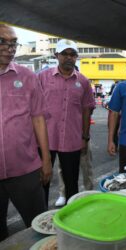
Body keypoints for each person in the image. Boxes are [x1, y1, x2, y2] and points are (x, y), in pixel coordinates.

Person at [0, 24, 51, 241]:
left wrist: (46, 160)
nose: (9, 48)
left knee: (38, 225)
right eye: (3, 41)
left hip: (25, 169)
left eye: (13, 43)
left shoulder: (27, 76)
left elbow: (38, 118)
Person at [38, 39, 95, 205]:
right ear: (57, 55)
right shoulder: (42, 77)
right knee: (42, 180)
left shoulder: (83, 81)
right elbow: (34, 109)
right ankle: (40, 215)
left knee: (71, 183)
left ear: (76, 57)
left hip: (72, 140)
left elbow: (86, 110)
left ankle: (71, 218)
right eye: (65, 54)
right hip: (45, 139)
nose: (69, 57)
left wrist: (85, 137)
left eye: (72, 54)